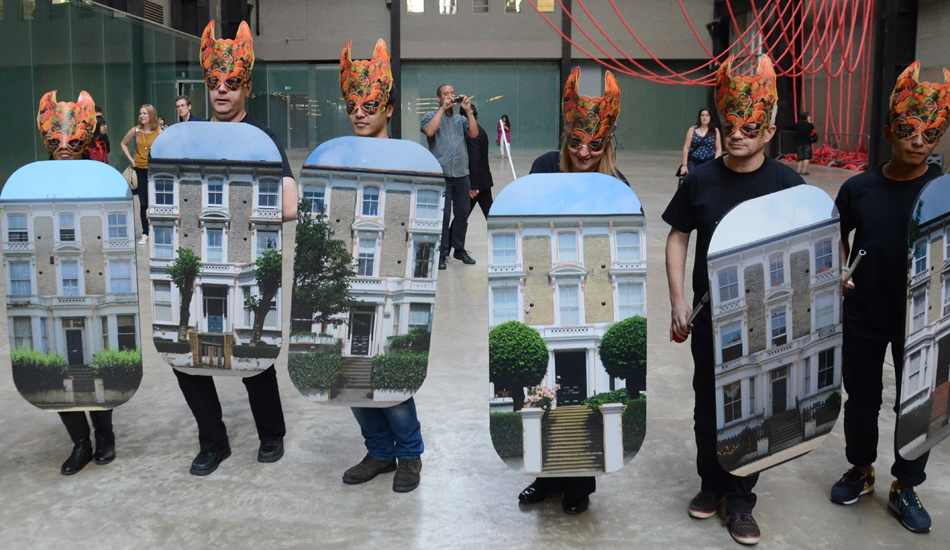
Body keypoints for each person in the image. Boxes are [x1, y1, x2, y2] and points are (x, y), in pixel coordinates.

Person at [663, 55, 804, 546]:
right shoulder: (701, 179)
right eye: (731, 124)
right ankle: (711, 485)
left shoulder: (788, 184)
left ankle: (741, 500)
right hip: (711, 318)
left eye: (750, 126)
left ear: (767, 130)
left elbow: (815, 245)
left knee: (754, 405)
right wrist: (679, 299)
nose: (738, 133)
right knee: (709, 404)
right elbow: (678, 236)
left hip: (767, 321)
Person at [170, 19, 297, 477]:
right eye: (215, 83)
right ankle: (213, 440)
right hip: (196, 260)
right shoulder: (190, 138)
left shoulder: (263, 141)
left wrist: (240, 209)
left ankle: (271, 434)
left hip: (246, 260)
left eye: (232, 83)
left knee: (254, 350)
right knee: (185, 357)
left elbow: (288, 203)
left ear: (246, 86)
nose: (222, 91)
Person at [828, 61, 949, 534]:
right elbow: (835, 232)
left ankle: (906, 484)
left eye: (930, 134)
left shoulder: (942, 191)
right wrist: (839, 267)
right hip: (862, 311)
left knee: (917, 402)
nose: (918, 141)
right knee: (861, 399)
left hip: (922, 316)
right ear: (888, 131)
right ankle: (860, 468)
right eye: (908, 130)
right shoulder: (858, 187)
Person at [517, 67, 628, 516]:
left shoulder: (618, 185)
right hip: (544, 296)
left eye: (594, 144)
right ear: (565, 135)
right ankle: (544, 478)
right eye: (576, 141)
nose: (583, 152)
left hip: (593, 301)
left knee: (582, 397)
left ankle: (580, 485)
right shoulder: (544, 168)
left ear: (607, 144)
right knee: (540, 389)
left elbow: (627, 246)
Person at [336, 39, 424, 493]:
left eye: (369, 105)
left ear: (388, 108)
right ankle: (378, 451)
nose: (360, 112)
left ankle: (409, 455)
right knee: (352, 375)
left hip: (392, 283)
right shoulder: (338, 158)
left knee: (393, 376)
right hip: (344, 284)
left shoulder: (410, 161)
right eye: (353, 104)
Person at [36, 90, 116, 475]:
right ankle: (80, 442)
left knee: (96, 362)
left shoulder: (101, 178)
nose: (64, 146)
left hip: (94, 284)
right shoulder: (34, 182)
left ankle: (105, 435)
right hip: (54, 289)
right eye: (56, 139)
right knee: (62, 368)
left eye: (71, 138)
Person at [421, 83, 478, 270]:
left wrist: (468, 111)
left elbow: (474, 134)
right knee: (444, 217)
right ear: (439, 98)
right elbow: (429, 131)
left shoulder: (460, 120)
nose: (450, 97)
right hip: (442, 175)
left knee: (462, 215)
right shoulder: (430, 116)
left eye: (453, 93)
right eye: (446, 94)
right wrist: (442, 110)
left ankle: (459, 250)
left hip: (462, 174)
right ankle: (442, 254)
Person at [119, 104, 161, 244]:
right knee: (143, 203)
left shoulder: (159, 132)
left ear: (151, 116)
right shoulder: (135, 130)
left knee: (156, 201)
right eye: (140, 113)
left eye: (145, 113)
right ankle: (145, 232)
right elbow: (123, 143)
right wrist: (132, 160)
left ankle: (158, 230)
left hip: (154, 171)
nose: (142, 116)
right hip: (140, 170)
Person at [679, 108, 721, 176]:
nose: (705, 118)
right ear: (699, 117)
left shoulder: (715, 131)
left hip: (709, 162)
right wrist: (684, 165)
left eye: (707, 115)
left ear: (710, 117)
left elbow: (718, 149)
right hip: (694, 162)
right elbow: (686, 148)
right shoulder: (692, 130)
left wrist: (715, 163)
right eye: (702, 115)